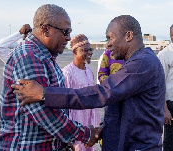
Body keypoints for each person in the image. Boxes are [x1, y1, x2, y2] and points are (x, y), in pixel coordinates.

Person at [12, 15, 166, 151]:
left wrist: (44, 93)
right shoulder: (134, 62)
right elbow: (130, 110)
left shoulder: (142, 63)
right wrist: (103, 128)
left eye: (110, 38)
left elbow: (103, 93)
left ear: (128, 35)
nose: (107, 44)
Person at [0, 4, 98, 151]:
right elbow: (43, 112)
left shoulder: (46, 57)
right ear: (45, 29)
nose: (68, 37)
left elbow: (57, 104)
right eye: (65, 31)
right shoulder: (28, 55)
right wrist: (84, 134)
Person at [62, 34, 100, 151]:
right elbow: (64, 104)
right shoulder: (67, 73)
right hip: (76, 125)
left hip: (89, 121)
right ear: (75, 51)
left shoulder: (89, 71)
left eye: (90, 49)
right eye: (85, 50)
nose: (89, 52)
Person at [97, 49, 123, 150]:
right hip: (113, 100)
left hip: (130, 101)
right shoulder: (108, 54)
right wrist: (115, 86)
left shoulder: (134, 54)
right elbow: (101, 74)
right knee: (111, 132)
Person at [157, 24, 173, 151]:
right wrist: (165, 109)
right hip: (171, 103)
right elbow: (159, 84)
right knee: (170, 141)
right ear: (170, 36)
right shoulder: (164, 54)